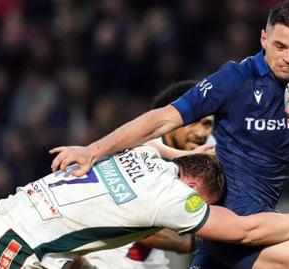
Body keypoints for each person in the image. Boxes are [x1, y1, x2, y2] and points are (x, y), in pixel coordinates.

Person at [50, 1, 289, 268]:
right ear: (263, 39)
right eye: (279, 45)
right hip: (232, 224)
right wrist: (94, 149)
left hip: (252, 224)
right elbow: (164, 119)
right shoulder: (235, 79)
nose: (287, 57)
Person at [0, 144, 289, 269]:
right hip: (13, 250)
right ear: (192, 188)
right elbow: (245, 230)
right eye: (201, 204)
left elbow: (156, 146)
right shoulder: (174, 196)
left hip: (13, 233)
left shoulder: (142, 155)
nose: (189, 219)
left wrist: (193, 153)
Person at [81, 80, 214, 269]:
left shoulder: (205, 151)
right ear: (176, 120)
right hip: (112, 256)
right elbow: (142, 225)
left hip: (148, 259)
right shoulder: (142, 153)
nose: (201, 132)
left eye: (207, 124)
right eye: (193, 122)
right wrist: (204, 244)